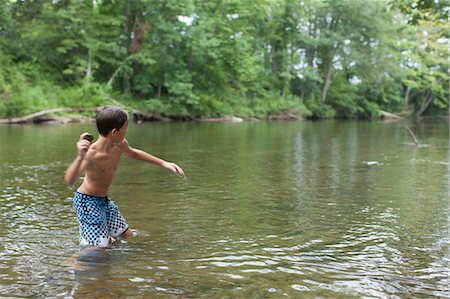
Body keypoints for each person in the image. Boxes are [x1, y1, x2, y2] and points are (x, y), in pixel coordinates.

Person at [64, 106, 184, 247]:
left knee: (128, 236)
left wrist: (164, 163)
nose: (127, 131)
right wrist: (79, 157)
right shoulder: (91, 154)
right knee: (96, 249)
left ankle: (107, 239)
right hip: (87, 202)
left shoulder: (120, 144)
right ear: (114, 132)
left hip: (103, 201)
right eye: (125, 128)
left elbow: (134, 153)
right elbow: (70, 180)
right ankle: (71, 262)